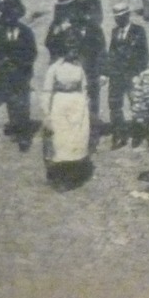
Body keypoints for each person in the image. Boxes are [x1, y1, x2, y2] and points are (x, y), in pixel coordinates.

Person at [41, 34, 93, 187]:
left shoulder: (79, 67)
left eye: (75, 49)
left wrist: (85, 104)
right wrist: (46, 113)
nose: (73, 52)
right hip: (60, 104)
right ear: (64, 50)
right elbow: (46, 91)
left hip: (78, 106)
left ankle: (73, 174)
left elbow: (84, 87)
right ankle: (60, 175)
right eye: (70, 49)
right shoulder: (55, 68)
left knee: (76, 139)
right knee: (61, 139)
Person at [102, 1, 149, 148]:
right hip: (116, 75)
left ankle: (138, 133)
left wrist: (139, 72)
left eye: (122, 16)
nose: (119, 19)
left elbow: (144, 55)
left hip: (132, 73)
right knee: (115, 105)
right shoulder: (115, 32)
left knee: (136, 104)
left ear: (128, 15)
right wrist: (105, 73)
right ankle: (119, 134)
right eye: (117, 17)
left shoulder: (138, 31)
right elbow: (111, 53)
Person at [0, 15, 39, 150]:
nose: (9, 22)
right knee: (11, 102)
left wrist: (18, 62)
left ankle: (24, 136)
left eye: (11, 18)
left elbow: (32, 52)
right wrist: (0, 62)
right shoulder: (0, 32)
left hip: (22, 73)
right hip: (5, 74)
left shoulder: (26, 32)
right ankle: (15, 127)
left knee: (22, 103)